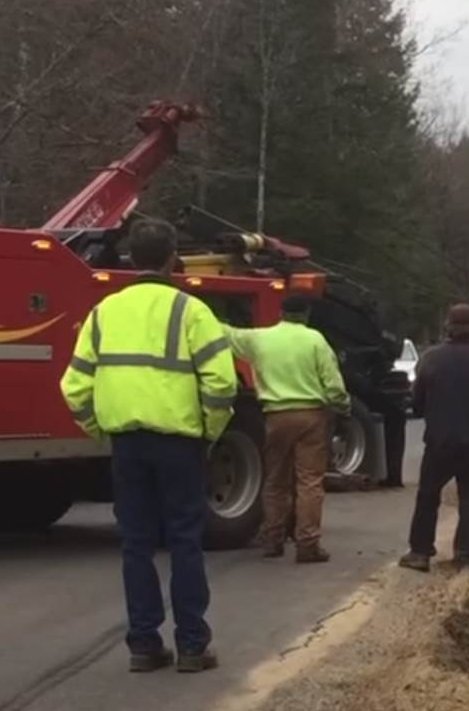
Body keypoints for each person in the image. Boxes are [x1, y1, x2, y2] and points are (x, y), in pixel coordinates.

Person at [60, 218, 237, 673]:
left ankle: (144, 645)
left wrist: (102, 431)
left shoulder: (104, 312)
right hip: (179, 442)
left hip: (127, 445)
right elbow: (221, 384)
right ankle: (192, 646)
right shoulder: (192, 311)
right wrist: (209, 431)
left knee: (135, 544)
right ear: (172, 257)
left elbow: (74, 387)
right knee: (184, 541)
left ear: (130, 259)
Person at [224, 295, 350, 563]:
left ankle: (273, 539)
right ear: (306, 314)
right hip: (311, 417)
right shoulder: (315, 340)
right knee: (309, 481)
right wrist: (342, 406)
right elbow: (334, 384)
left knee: (275, 480)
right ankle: (307, 544)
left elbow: (226, 334)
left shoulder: (260, 339)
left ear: (281, 312)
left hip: (275, 416)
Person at [399, 303, 469, 573]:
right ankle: (464, 556)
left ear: (448, 328)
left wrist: (430, 413)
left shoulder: (431, 359)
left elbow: (416, 402)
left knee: (428, 496)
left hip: (439, 442)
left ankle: (419, 553)